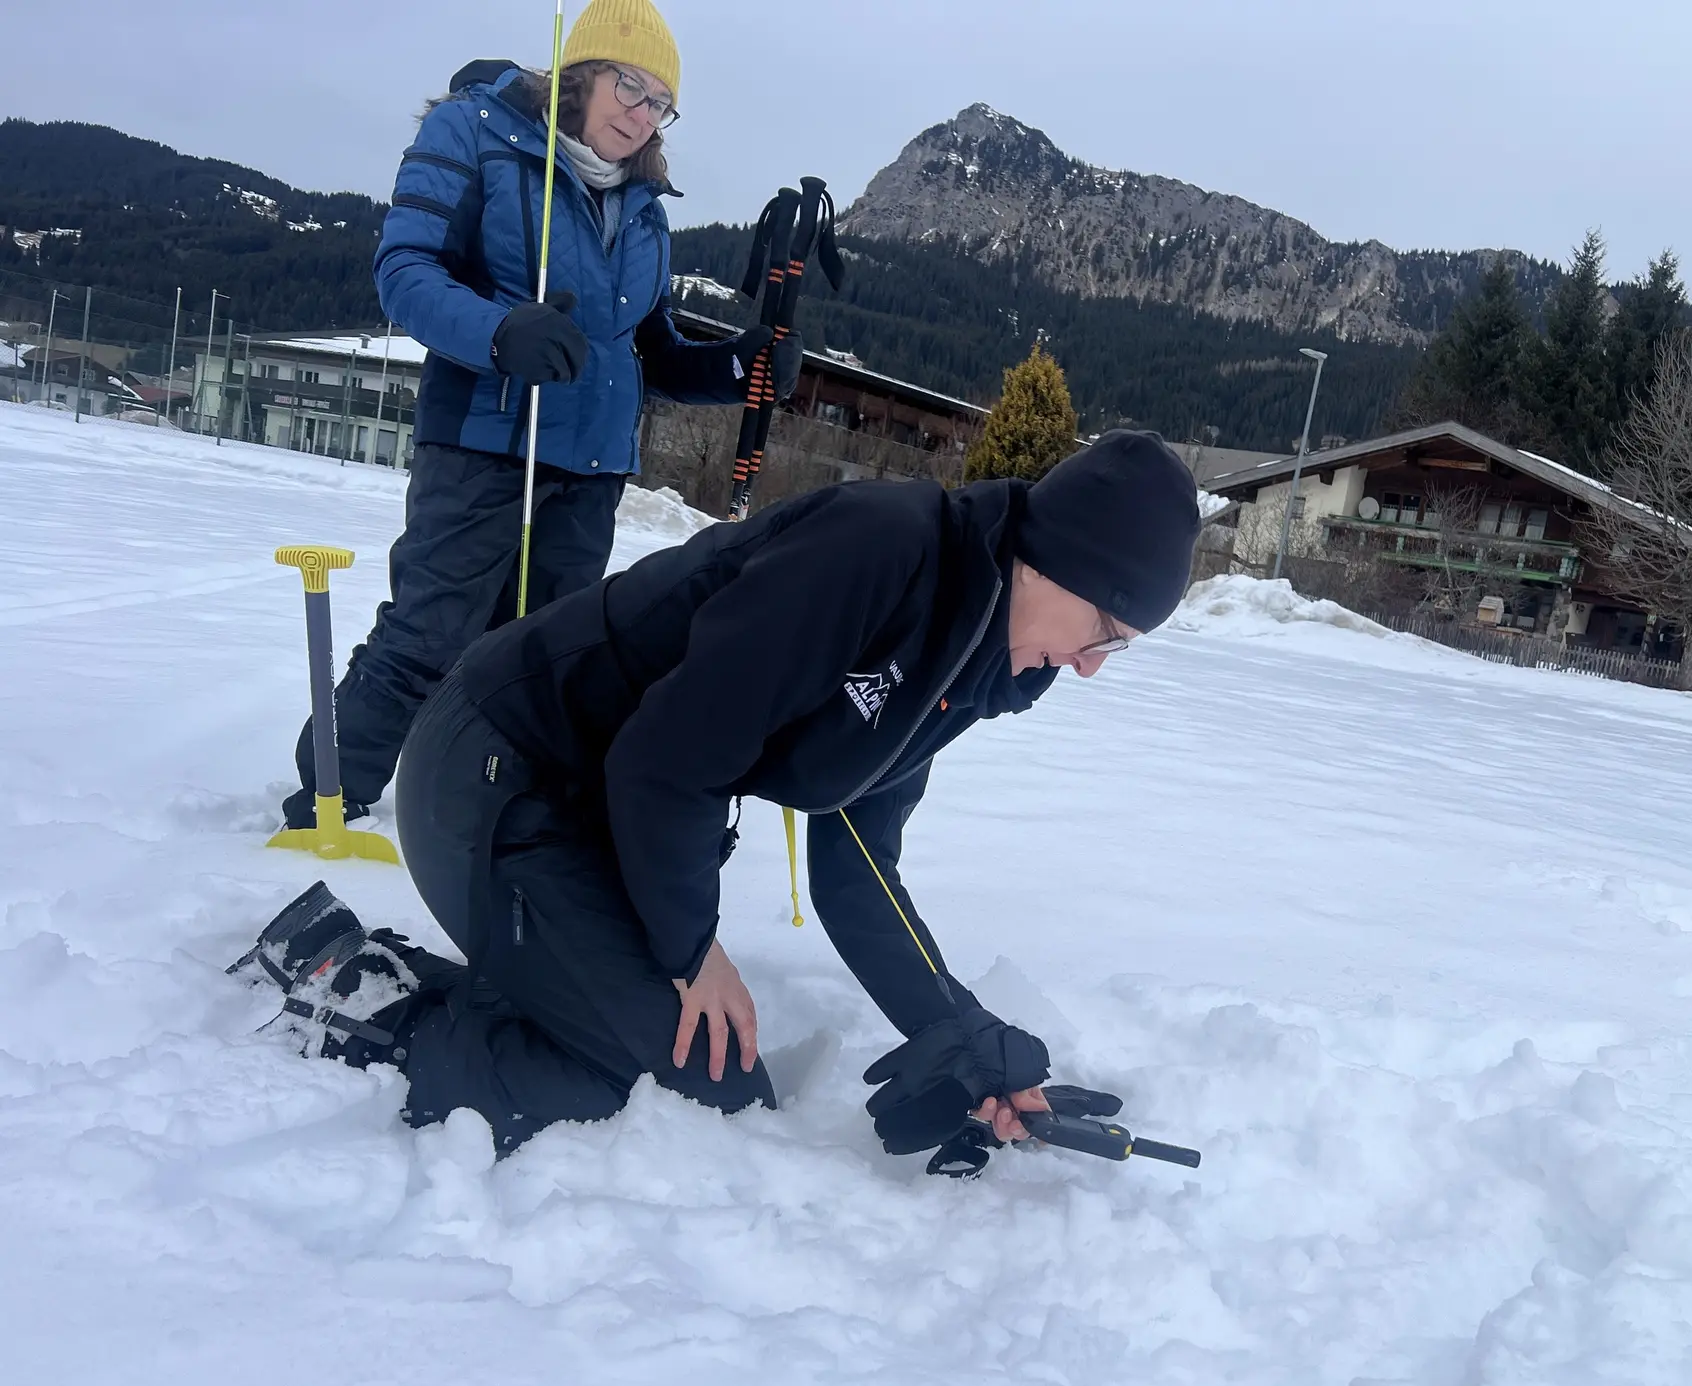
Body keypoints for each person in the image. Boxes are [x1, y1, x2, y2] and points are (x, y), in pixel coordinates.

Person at [238, 432, 1202, 1162]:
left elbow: (857, 864)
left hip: (601, 818)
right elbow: (667, 758)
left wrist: (961, 1035)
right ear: (1061, 562)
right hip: (500, 771)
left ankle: (487, 978)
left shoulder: (962, 655)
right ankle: (361, 998)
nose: (1089, 666)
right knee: (675, 1097)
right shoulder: (885, 550)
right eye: (1106, 629)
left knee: (713, 1080)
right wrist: (691, 948)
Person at [281, 0, 800, 828]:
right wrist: (497, 332)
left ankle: (495, 814)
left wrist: (735, 369)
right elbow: (405, 271)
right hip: (486, 441)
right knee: (429, 639)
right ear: (581, 73)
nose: (641, 112)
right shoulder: (473, 135)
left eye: (660, 101)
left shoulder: (646, 206)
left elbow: (649, 349)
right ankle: (327, 801)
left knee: (544, 661)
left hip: (590, 470)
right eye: (629, 85)